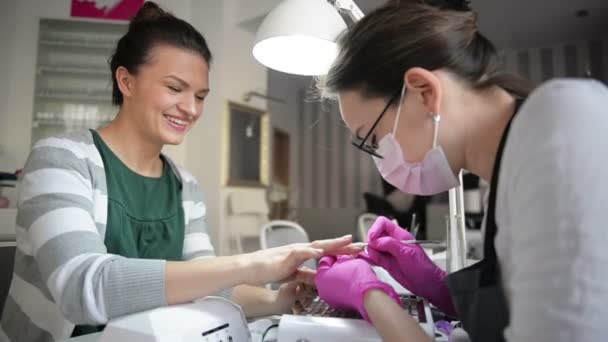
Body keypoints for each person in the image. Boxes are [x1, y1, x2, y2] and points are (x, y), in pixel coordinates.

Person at [0, 3, 362, 342]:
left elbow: (207, 281)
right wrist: (251, 263)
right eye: (175, 88)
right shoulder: (61, 159)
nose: (190, 108)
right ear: (126, 82)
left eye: (201, 96)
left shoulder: (184, 185)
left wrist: (281, 300)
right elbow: (82, 287)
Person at [314, 0, 608, 341]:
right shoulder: (508, 168)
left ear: (424, 92)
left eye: (372, 138)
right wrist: (434, 284)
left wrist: (372, 296)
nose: (378, 158)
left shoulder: (561, 125)